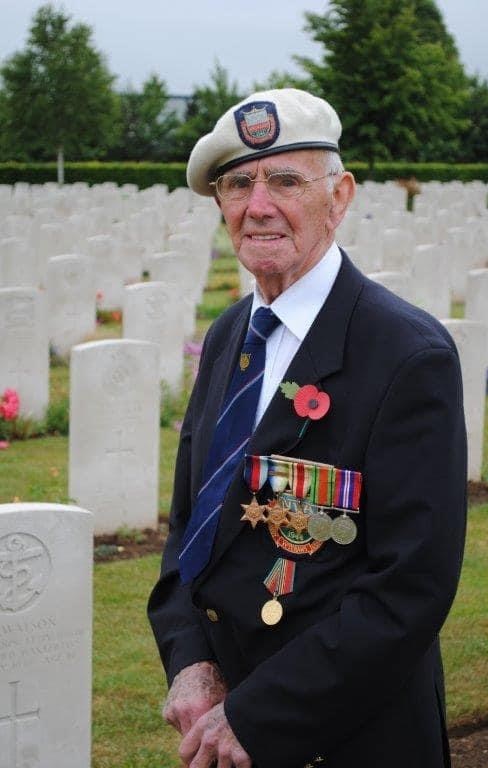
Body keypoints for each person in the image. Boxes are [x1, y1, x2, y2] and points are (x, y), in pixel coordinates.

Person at [148, 88, 467, 768]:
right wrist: (188, 657)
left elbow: (409, 590)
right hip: (224, 727)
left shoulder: (407, 357)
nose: (257, 205)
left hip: (348, 736)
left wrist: (257, 715)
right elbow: (193, 526)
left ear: (341, 195)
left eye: (285, 180)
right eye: (238, 184)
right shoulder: (232, 332)